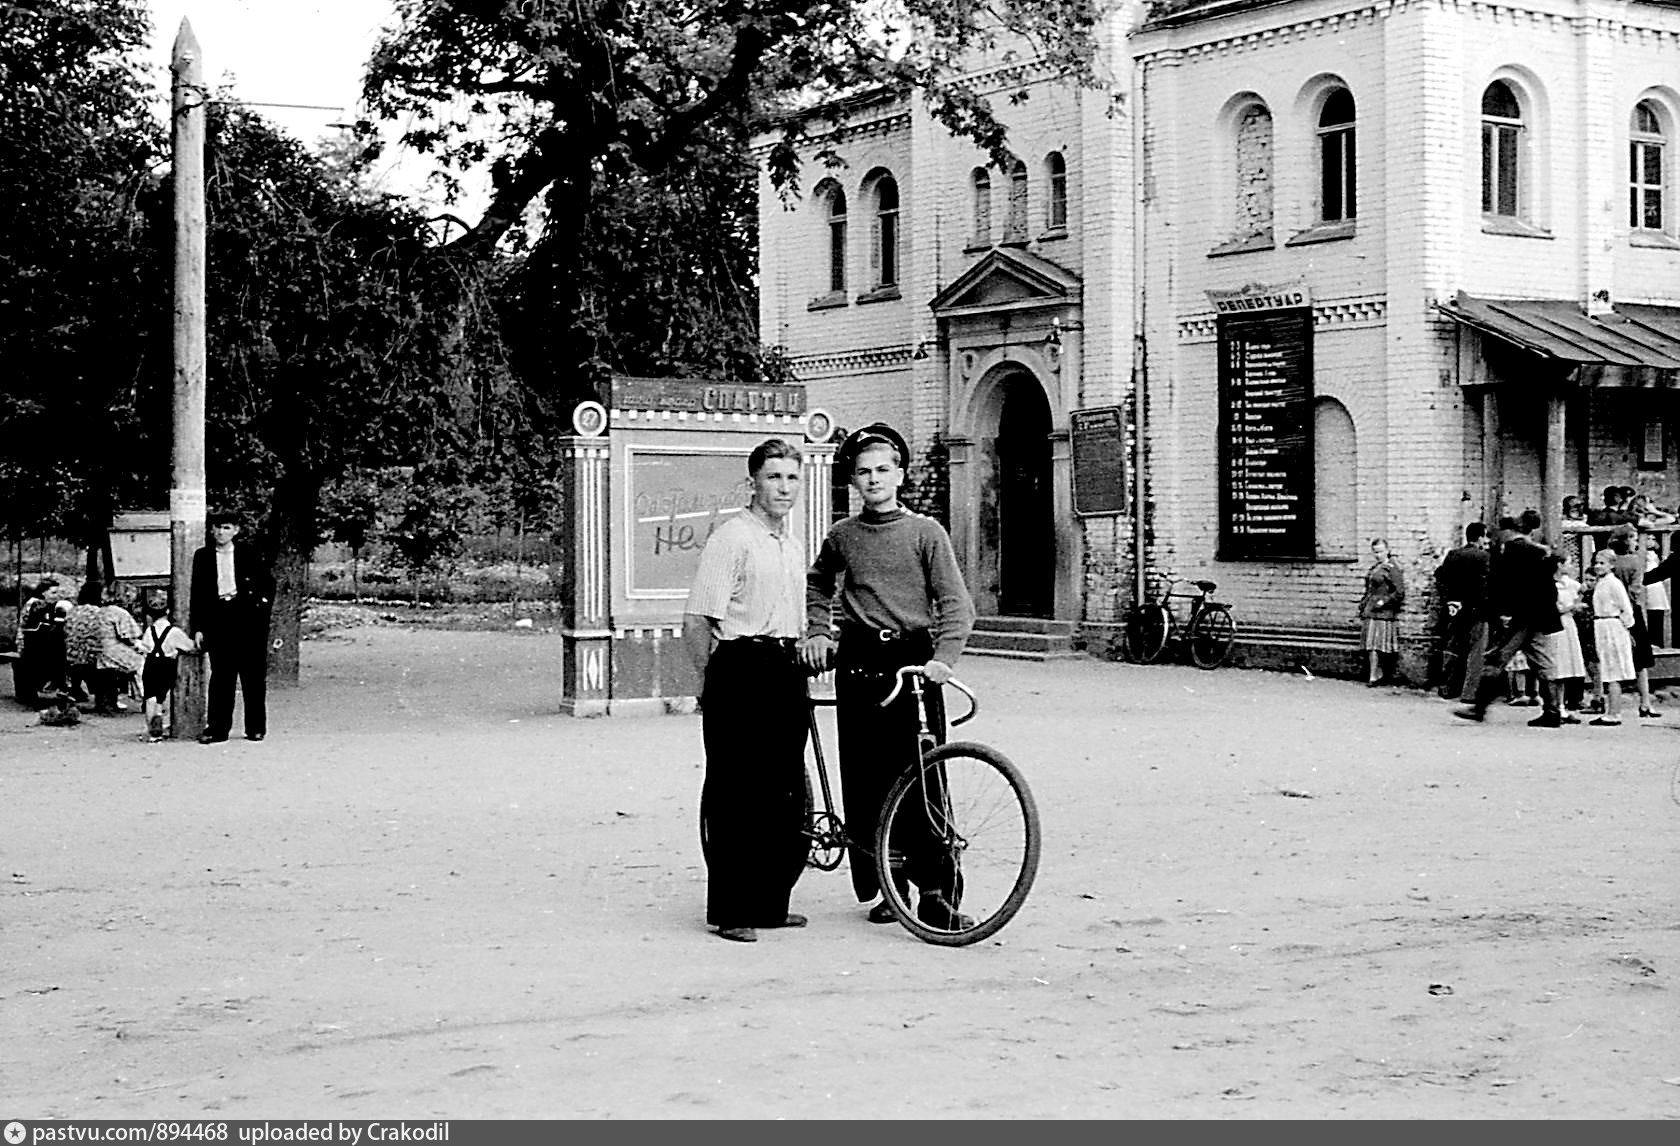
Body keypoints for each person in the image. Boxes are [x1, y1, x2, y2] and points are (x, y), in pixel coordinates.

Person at [800, 423, 977, 930]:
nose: (873, 479)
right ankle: (888, 887)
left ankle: (937, 892)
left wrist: (944, 657)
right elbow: (817, 585)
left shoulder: (926, 534)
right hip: (859, 666)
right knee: (866, 778)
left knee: (923, 777)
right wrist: (818, 632)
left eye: (882, 470)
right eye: (863, 472)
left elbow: (955, 604)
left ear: (900, 474)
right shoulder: (843, 537)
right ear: (853, 481)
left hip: (914, 666)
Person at [682, 438, 812, 944]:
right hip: (739, 666)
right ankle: (733, 909)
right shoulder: (731, 538)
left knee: (783, 790)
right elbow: (697, 620)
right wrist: (709, 685)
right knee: (736, 790)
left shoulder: (791, 544)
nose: (783, 487)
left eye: (792, 478)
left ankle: (770, 904)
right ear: (753, 482)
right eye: (774, 476)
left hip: (785, 667)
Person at [1456, 509, 1565, 726]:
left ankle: (1479, 708)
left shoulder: (1513, 551)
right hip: (1540, 616)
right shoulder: (1540, 551)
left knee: (1497, 657)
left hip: (1522, 617)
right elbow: (1550, 577)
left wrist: (1500, 611)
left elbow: (1503, 587)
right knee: (1544, 663)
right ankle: (1553, 711)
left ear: (1508, 531)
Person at [189, 509, 275, 743]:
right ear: (211, 530)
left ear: (236, 530)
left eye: (226, 527)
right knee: (221, 677)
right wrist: (198, 627)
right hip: (218, 618)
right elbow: (197, 593)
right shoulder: (203, 556)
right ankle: (217, 728)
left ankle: (256, 727)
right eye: (217, 527)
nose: (221, 532)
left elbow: (267, 584)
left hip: (247, 618)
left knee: (253, 676)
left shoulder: (250, 553)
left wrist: (260, 612)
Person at [1606, 525, 1660, 720]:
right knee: (1641, 660)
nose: (1636, 542)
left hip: (1611, 613)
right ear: (1626, 540)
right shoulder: (1635, 562)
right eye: (1633, 538)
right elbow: (1636, 589)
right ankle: (1645, 702)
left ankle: (1603, 699)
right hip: (1631, 611)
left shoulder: (1609, 560)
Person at [1434, 523, 1490, 700]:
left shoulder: (1453, 555)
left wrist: (1449, 600)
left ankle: (1448, 688)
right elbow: (1487, 585)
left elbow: (1440, 577)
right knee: (1476, 652)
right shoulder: (1485, 557)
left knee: (1453, 648)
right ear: (1480, 537)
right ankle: (1469, 693)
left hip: (1455, 609)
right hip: (1477, 610)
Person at [138, 597, 198, 742]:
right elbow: (190, 647)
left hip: (150, 663)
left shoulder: (149, 631)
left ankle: (151, 729)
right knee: (163, 696)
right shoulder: (174, 632)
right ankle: (161, 722)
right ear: (168, 611)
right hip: (166, 664)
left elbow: (145, 647)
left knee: (150, 696)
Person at [1590, 547, 1636, 727]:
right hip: (1601, 624)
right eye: (1596, 563)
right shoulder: (1601, 583)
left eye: (1602, 563)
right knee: (1607, 668)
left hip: (1612, 626)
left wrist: (1626, 629)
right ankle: (1611, 711)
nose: (1598, 566)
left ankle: (1614, 713)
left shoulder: (1614, 584)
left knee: (1613, 669)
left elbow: (1626, 609)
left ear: (1611, 565)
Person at [1359, 538, 1405, 686]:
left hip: (1384, 613)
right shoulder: (1375, 568)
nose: (1378, 555)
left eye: (1380, 551)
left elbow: (1399, 592)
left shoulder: (1392, 568)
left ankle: (1379, 674)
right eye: (1375, 552)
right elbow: (1369, 589)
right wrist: (1363, 604)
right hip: (1370, 611)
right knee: (1371, 644)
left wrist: (1384, 602)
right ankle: (1374, 674)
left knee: (1379, 645)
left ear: (1387, 550)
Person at [95, 582, 144, 713]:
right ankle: (145, 696)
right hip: (113, 648)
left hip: (100, 650)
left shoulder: (100, 611)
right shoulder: (119, 612)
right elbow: (127, 636)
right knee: (141, 663)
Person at [1549, 554, 1586, 719]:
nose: (1571, 567)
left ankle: (1562, 705)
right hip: (1556, 625)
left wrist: (1581, 597)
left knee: (1566, 667)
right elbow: (1555, 608)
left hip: (1569, 625)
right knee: (1557, 666)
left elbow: (1583, 590)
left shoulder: (1571, 584)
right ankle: (1555, 705)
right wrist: (1573, 606)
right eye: (1568, 563)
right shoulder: (1551, 585)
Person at [63, 580, 106, 709]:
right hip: (91, 658)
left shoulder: (72, 611)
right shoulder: (99, 613)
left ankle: (75, 688)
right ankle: (105, 697)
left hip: (70, 656)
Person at [1642, 533, 1668, 647]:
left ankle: (1657, 641)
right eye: (1648, 538)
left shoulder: (1656, 554)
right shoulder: (1641, 554)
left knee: (1656, 611)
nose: (1651, 541)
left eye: (1653, 539)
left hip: (1655, 584)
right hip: (1646, 582)